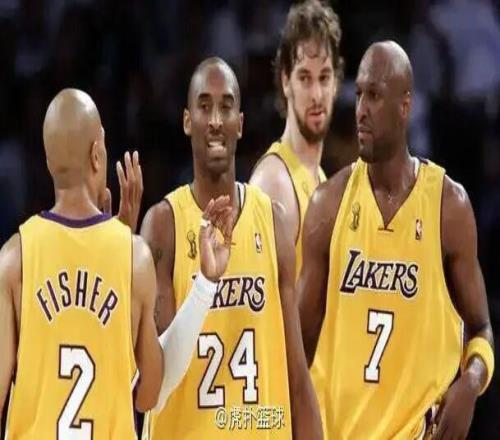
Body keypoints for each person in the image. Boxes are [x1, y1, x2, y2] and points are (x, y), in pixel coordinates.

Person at [0, 88, 233, 438]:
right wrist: (122, 245)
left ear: (49, 163)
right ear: (97, 155)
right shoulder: (133, 258)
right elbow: (149, 394)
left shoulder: (14, 258)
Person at [298, 41, 495, 439]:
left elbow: (482, 329)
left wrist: (471, 384)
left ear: (405, 106)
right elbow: (296, 347)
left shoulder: (448, 207)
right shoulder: (328, 205)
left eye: (374, 95)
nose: (360, 110)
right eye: (358, 95)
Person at [141, 57, 321, 439]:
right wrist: (204, 286)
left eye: (226, 107)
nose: (215, 120)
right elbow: (154, 386)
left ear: (240, 123)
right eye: (204, 106)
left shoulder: (273, 222)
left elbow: (297, 374)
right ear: (187, 121)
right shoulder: (164, 227)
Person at [249, 0, 343, 428]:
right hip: (285, 417)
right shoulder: (274, 182)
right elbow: (257, 325)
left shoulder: (320, 180)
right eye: (304, 77)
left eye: (324, 78)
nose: (316, 94)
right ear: (285, 81)